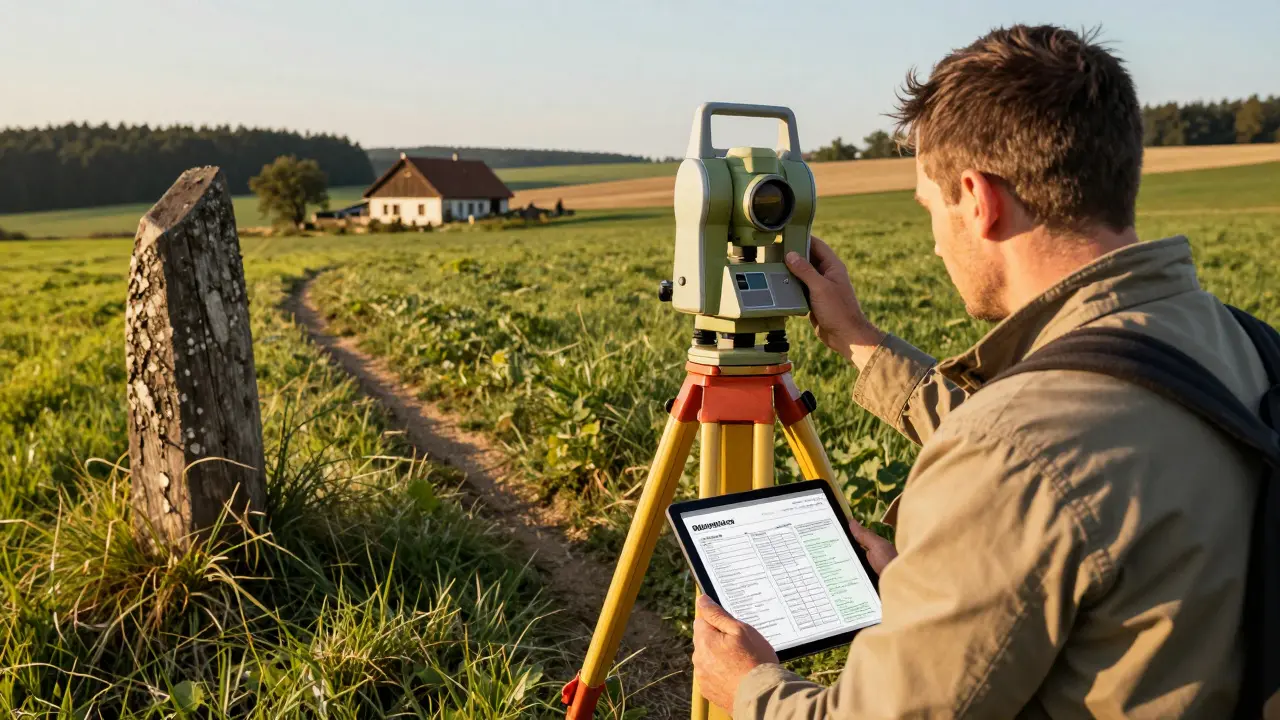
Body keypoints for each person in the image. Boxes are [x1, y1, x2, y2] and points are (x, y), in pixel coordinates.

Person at [691, 24, 1268, 719]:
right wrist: (861, 342)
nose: (937, 244)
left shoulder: (1013, 451)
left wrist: (749, 687)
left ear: (978, 199)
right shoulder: (1243, 344)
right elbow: (1067, 460)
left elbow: (1028, 457)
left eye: (930, 209)